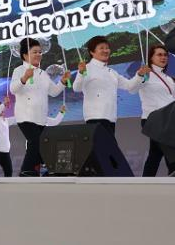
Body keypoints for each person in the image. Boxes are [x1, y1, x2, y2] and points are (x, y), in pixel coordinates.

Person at [10, 38, 71, 174]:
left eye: (40, 52)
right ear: (25, 55)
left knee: (42, 145)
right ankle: (26, 172)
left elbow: (54, 92)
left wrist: (63, 81)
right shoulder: (19, 70)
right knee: (35, 143)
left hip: (41, 118)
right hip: (25, 116)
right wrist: (24, 78)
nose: (38, 54)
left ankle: (39, 170)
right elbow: (13, 89)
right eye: (34, 52)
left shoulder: (43, 74)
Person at [73, 35, 145, 136]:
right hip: (95, 118)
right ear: (92, 52)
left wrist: (139, 75)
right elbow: (76, 88)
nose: (105, 50)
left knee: (108, 145)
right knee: (106, 146)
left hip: (111, 118)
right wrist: (81, 73)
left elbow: (129, 86)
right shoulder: (86, 69)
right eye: (101, 48)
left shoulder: (112, 72)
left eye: (107, 48)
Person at [129, 44, 175, 176]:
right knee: (170, 150)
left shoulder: (168, 78)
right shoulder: (146, 74)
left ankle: (146, 181)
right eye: (159, 55)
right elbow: (132, 89)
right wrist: (140, 75)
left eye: (165, 55)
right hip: (154, 119)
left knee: (156, 154)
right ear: (151, 58)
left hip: (168, 121)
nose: (163, 57)